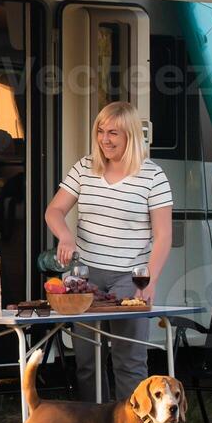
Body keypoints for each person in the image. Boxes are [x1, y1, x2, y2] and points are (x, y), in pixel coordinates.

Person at [43, 101, 173, 403]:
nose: (105, 139)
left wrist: (150, 281)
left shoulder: (153, 176)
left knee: (129, 359)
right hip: (85, 277)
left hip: (130, 277)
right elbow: (54, 210)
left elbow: (164, 235)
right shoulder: (85, 167)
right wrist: (65, 236)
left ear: (130, 136)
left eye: (113, 132)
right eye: (100, 131)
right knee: (87, 360)